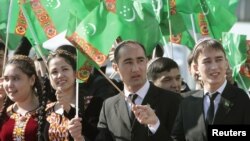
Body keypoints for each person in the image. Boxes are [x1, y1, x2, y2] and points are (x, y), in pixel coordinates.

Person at [95, 40, 182, 141]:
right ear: (116, 68)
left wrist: (155, 125)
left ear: (146, 62)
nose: (136, 69)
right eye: (128, 62)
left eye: (140, 60)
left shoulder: (173, 101)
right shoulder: (108, 106)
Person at [171, 38, 250, 141]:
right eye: (207, 61)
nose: (214, 67)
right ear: (195, 68)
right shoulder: (187, 102)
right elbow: (176, 138)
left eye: (218, 60)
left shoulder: (241, 98)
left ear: (226, 63)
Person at [39, 46, 98, 141]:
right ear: (49, 78)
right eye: (54, 72)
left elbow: (96, 135)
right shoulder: (47, 109)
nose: (60, 75)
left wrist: (68, 108)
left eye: (65, 69)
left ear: (75, 73)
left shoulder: (93, 103)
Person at [0, 55, 41, 141]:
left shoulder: (50, 112)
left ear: (32, 80)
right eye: (6, 79)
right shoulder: (4, 114)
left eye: (15, 78)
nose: (9, 85)